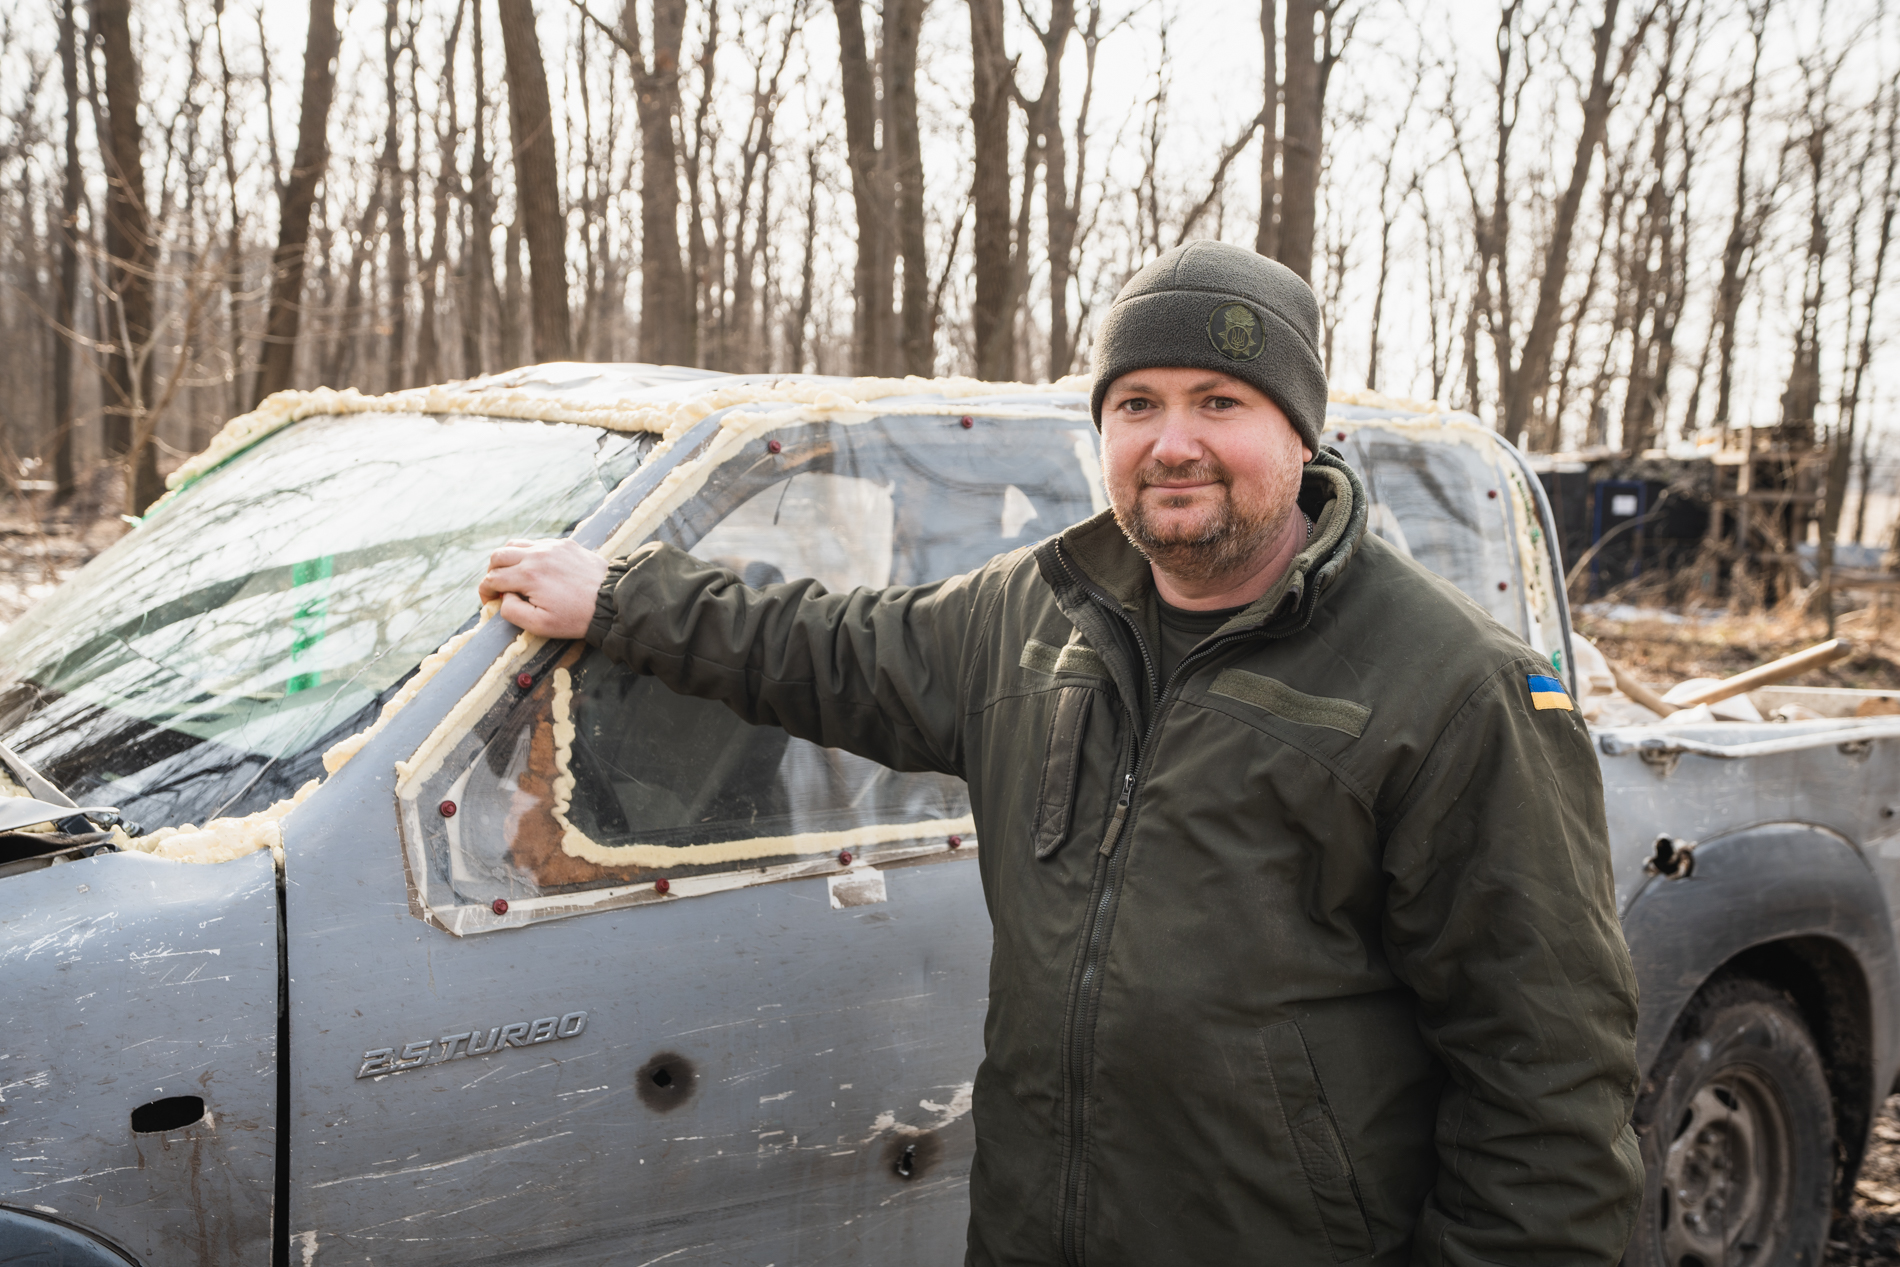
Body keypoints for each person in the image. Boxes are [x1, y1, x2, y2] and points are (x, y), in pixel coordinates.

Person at [480, 240, 1643, 1265]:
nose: (1171, 441)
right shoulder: (1033, 615)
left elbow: (1545, 1088)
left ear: (1301, 428)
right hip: (1039, 1230)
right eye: (1135, 403)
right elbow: (824, 649)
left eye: (1219, 401)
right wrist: (624, 599)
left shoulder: (1455, 686)